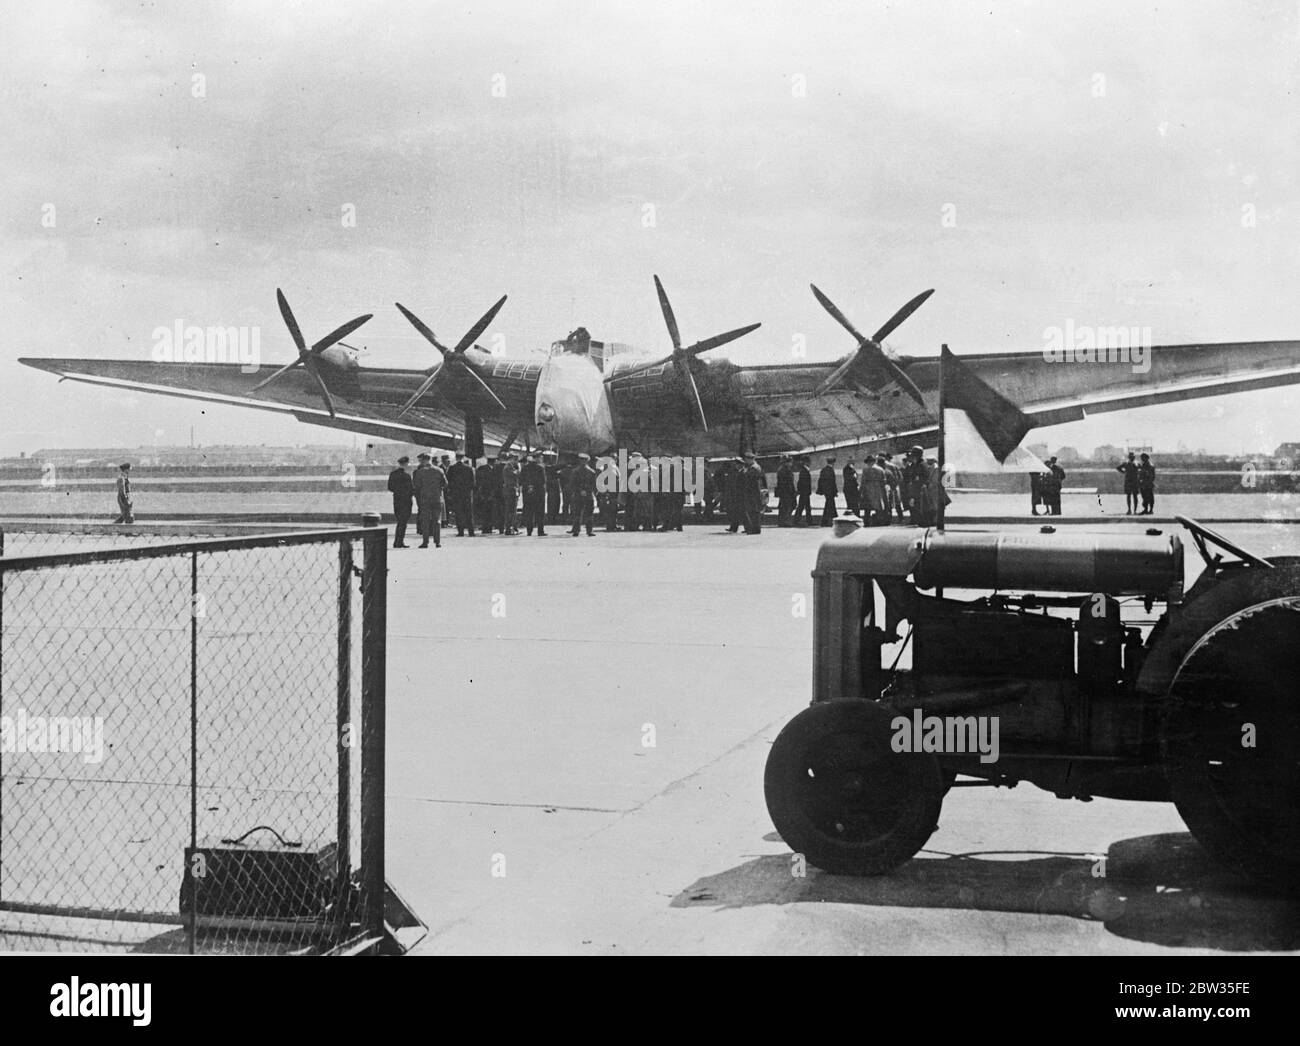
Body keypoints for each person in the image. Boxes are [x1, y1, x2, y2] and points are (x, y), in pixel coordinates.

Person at [412, 452, 447, 548]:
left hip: (425, 499)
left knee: (425, 520)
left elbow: (417, 486)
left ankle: (425, 542)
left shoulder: (420, 472)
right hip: (437, 498)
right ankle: (437, 542)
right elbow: (445, 484)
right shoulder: (439, 470)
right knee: (437, 520)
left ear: (423, 460)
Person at [386, 455, 413, 548]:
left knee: (400, 521)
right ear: (406, 464)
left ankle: (398, 541)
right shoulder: (407, 476)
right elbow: (411, 489)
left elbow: (390, 487)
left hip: (397, 499)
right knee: (403, 522)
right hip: (406, 501)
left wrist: (398, 491)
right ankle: (399, 542)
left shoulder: (393, 474)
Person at [447, 454, 477, 536]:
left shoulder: (452, 468)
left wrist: (451, 492)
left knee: (458, 512)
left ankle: (461, 531)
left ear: (456, 458)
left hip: (456, 494)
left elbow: (448, 481)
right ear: (463, 458)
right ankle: (471, 531)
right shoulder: (469, 468)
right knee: (469, 512)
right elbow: (473, 482)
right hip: (467, 494)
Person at [569, 453, 597, 536]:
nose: (583, 462)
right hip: (587, 495)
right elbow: (593, 485)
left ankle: (577, 530)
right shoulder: (591, 471)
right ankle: (589, 531)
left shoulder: (575, 471)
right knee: (587, 513)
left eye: (584, 460)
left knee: (579, 513)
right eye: (582, 460)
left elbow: (572, 484)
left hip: (579, 495)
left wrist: (579, 491)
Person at [520, 452, 548, 536]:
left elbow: (521, 480)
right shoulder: (540, 468)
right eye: (541, 457)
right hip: (538, 493)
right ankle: (540, 530)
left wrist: (529, 487)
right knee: (540, 513)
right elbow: (543, 480)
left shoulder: (524, 468)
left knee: (529, 512)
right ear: (538, 458)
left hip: (528, 493)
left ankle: (529, 530)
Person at [739, 452, 766, 534]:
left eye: (746, 459)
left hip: (753, 493)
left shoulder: (754, 468)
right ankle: (752, 528)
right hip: (751, 493)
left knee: (754, 511)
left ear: (750, 459)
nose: (745, 461)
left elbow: (751, 481)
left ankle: (755, 529)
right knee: (751, 511)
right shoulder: (750, 467)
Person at [862, 456, 889, 526]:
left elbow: (863, 482)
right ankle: (879, 522)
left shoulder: (865, 470)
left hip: (868, 490)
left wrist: (861, 491)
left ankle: (866, 522)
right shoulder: (880, 469)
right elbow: (884, 481)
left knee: (867, 509)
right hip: (878, 490)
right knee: (878, 507)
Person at [500, 453, 521, 535]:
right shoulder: (508, 467)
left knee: (513, 510)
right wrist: (519, 469)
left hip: (512, 490)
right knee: (510, 511)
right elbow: (516, 474)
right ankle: (509, 528)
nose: (516, 461)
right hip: (510, 490)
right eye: (515, 459)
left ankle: (512, 527)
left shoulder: (511, 467)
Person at [474, 458, 497, 533]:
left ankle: (485, 527)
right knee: (490, 511)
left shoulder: (480, 469)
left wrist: (479, 493)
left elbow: (478, 481)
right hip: (490, 493)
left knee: (483, 511)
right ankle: (489, 528)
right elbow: (494, 483)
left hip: (482, 493)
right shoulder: (493, 471)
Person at [775, 456, 796, 527]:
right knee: (787, 506)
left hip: (784, 491)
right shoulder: (785, 470)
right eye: (790, 462)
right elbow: (788, 482)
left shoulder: (783, 469)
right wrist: (792, 491)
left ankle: (782, 521)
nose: (791, 464)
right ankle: (785, 521)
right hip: (786, 491)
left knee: (784, 506)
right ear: (786, 462)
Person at [817, 457, 839, 526]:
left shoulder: (823, 470)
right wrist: (835, 491)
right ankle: (832, 520)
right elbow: (832, 482)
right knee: (830, 505)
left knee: (829, 505)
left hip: (826, 491)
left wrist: (820, 490)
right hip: (830, 491)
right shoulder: (831, 470)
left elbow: (820, 480)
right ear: (833, 463)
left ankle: (827, 520)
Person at [544, 452, 562, 524]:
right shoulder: (548, 468)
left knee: (556, 502)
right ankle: (552, 518)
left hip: (554, 487)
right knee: (553, 503)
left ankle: (553, 517)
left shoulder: (551, 468)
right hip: (552, 487)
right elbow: (556, 469)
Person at [795, 456, 813, 526]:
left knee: (802, 506)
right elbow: (802, 482)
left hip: (804, 492)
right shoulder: (804, 471)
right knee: (804, 507)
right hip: (805, 492)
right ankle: (808, 521)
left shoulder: (804, 470)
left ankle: (798, 520)